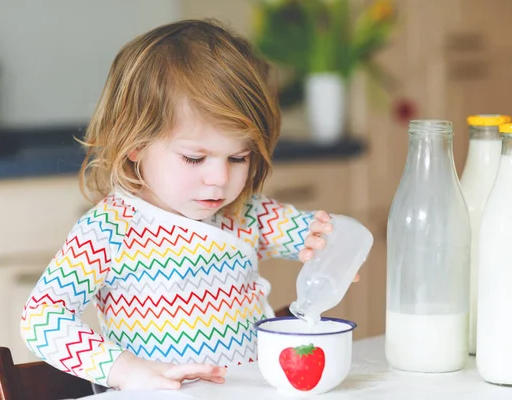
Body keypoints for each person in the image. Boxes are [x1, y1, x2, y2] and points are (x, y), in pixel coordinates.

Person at [20, 19, 357, 392]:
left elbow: (315, 234)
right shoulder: (111, 228)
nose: (219, 178)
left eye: (238, 158)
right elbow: (42, 318)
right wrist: (125, 370)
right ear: (136, 144)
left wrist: (331, 245)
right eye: (195, 158)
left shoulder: (243, 213)